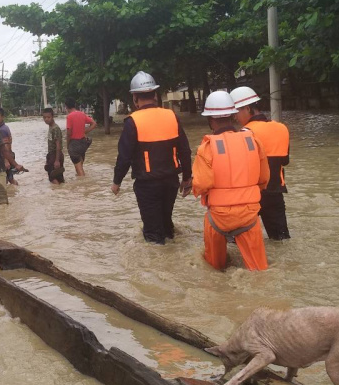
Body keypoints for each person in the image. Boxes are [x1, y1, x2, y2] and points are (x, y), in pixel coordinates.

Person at [111, 72, 193, 245]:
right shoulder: (172, 116)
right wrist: (187, 179)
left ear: (135, 98)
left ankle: (160, 267)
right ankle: (175, 258)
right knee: (166, 224)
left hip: (147, 186)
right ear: (155, 95)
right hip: (171, 182)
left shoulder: (132, 122)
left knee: (152, 233)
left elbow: (124, 157)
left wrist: (116, 182)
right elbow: (185, 150)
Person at [192, 90, 270, 271]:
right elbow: (264, 178)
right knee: (259, 271)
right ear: (234, 116)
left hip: (218, 218)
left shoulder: (207, 147)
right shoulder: (253, 141)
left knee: (213, 270)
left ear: (210, 120)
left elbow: (202, 184)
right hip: (249, 215)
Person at [231, 87, 291, 240]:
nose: (235, 118)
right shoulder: (281, 128)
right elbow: (285, 161)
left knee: (238, 242)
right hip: (275, 193)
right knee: (281, 240)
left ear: (248, 108)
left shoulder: (243, 134)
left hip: (250, 197)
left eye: (236, 112)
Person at [65, 98, 97, 176]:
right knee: (80, 165)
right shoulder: (82, 114)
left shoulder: (69, 117)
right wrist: (85, 131)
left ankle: (83, 184)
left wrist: (67, 145)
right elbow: (94, 123)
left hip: (74, 144)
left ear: (66, 107)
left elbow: (69, 133)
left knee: (79, 170)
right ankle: (80, 185)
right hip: (83, 143)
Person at [42, 107, 65, 184]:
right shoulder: (51, 127)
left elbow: (58, 145)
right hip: (52, 155)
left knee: (52, 178)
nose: (46, 119)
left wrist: (57, 160)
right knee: (59, 178)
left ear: (52, 117)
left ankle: (57, 192)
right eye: (44, 117)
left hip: (55, 155)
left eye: (48, 117)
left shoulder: (55, 128)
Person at [0, 108, 18, 185]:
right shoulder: (5, 127)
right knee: (10, 179)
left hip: (5, 158)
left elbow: (6, 146)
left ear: (2, 117)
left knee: (5, 181)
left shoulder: (2, 130)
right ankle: (15, 192)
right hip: (8, 156)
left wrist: (6, 160)